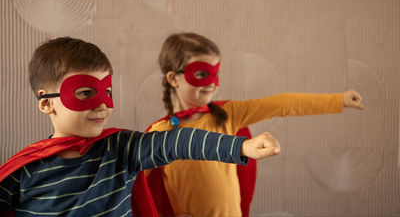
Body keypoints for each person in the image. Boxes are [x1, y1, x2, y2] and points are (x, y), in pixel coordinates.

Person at [0, 37, 281, 217]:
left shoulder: (123, 148)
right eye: (85, 93)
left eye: (106, 92)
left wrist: (241, 146)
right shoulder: (23, 172)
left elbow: (176, 142)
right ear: (46, 103)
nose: (102, 106)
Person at [145, 32, 365, 217]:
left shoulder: (229, 115)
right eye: (202, 74)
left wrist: (338, 100)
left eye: (216, 73)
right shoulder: (159, 134)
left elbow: (282, 104)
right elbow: (133, 185)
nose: (212, 83)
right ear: (174, 79)